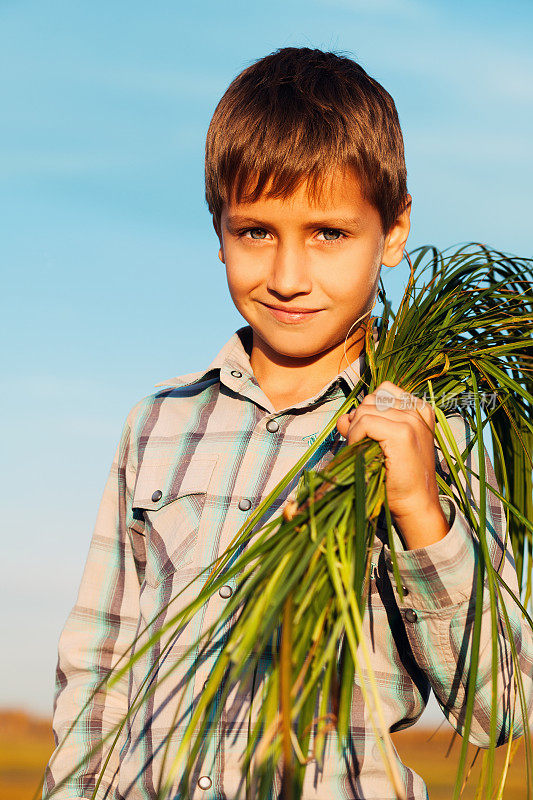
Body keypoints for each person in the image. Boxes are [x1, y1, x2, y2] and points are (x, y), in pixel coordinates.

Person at [43, 47, 533, 800]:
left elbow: (498, 705)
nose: (287, 276)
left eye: (328, 234)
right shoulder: (156, 425)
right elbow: (96, 667)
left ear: (392, 232)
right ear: (219, 231)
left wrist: (418, 511)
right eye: (255, 232)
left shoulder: (434, 437)